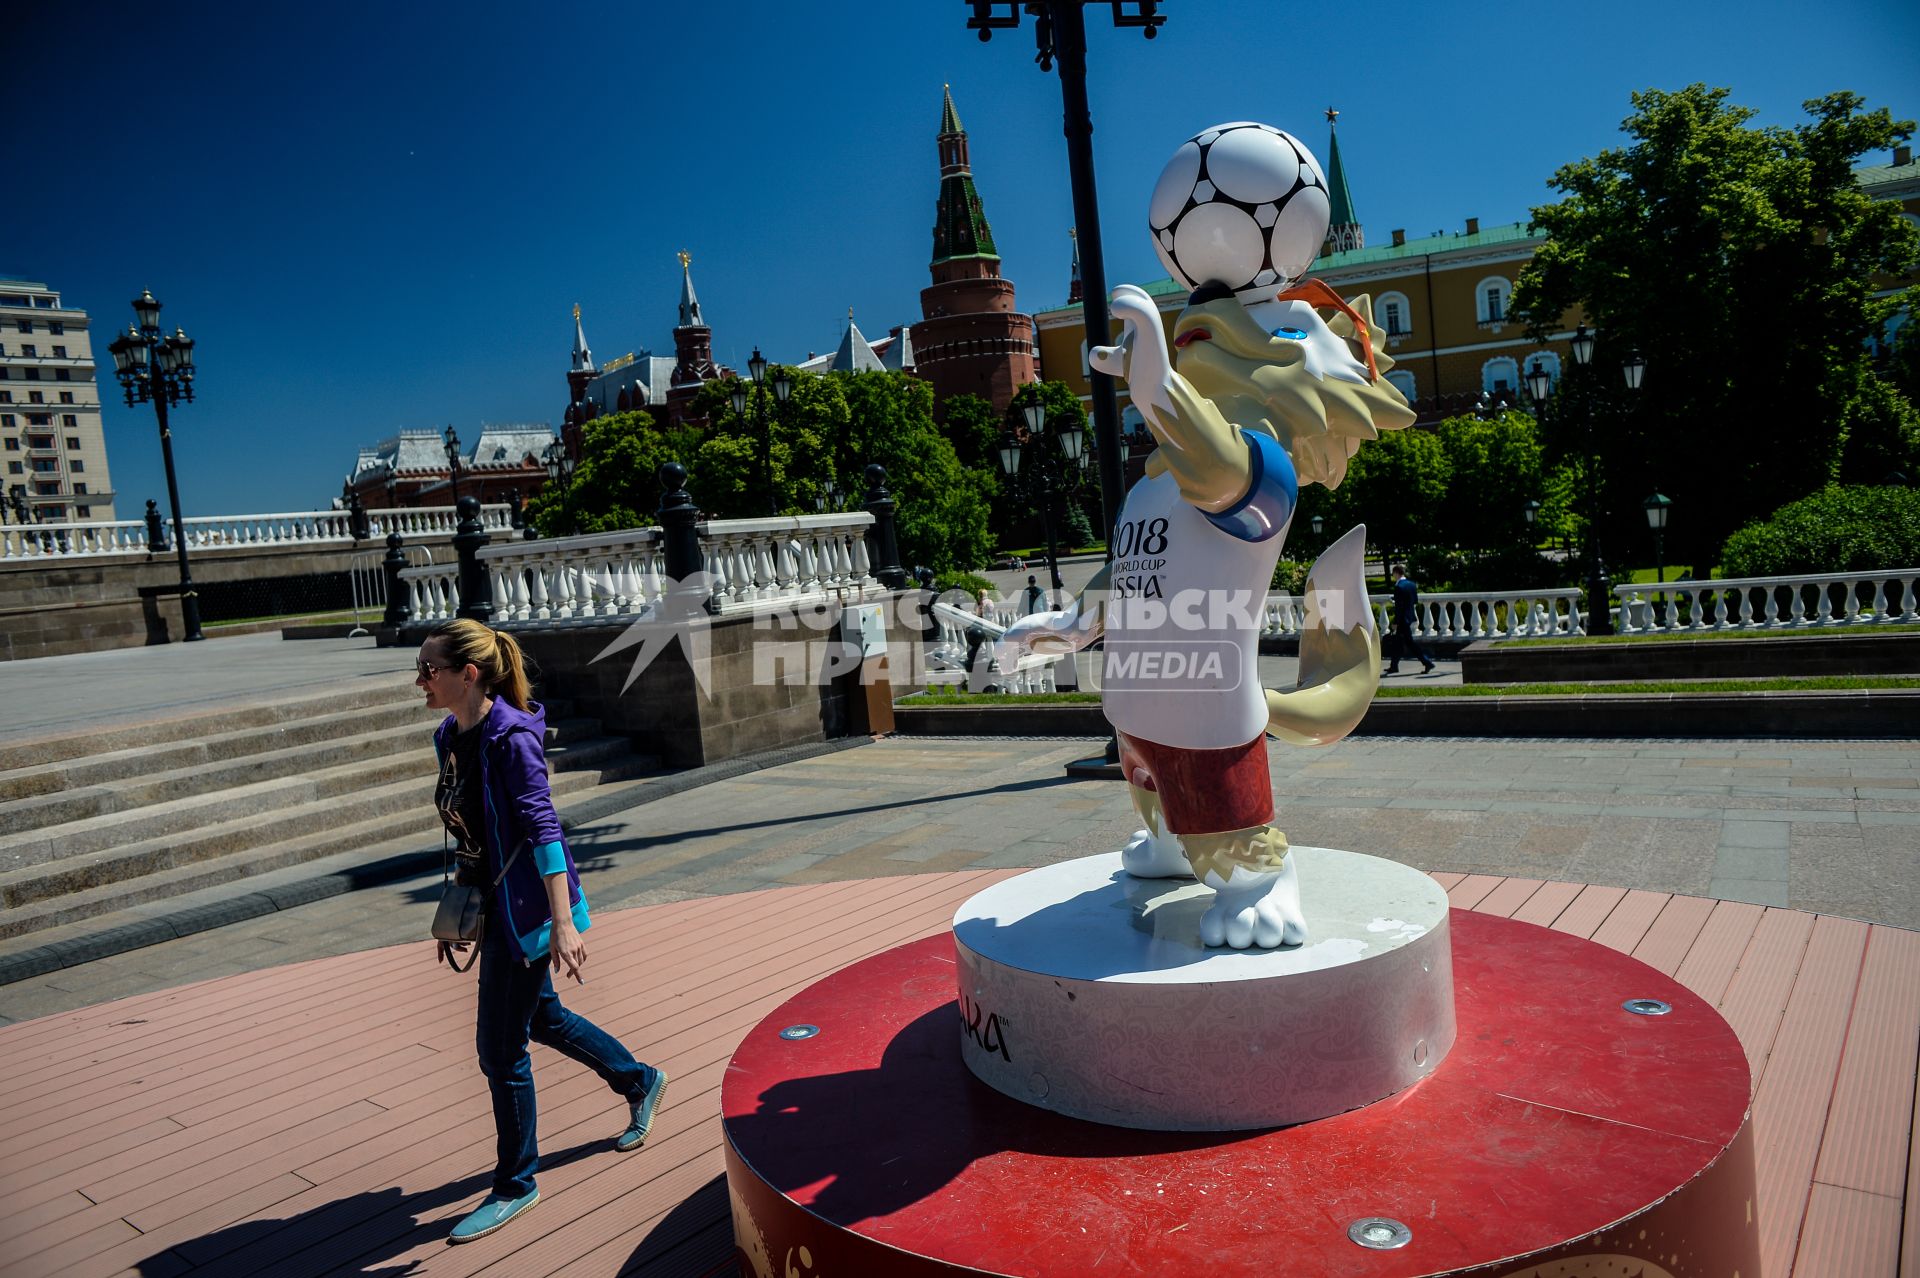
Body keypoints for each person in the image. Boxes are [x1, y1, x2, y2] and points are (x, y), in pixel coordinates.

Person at [419, 618, 668, 1244]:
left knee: (500, 1051)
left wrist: (562, 923)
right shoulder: (451, 735)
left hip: (528, 912)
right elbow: (471, 833)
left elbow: (543, 829)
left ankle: (516, 1183)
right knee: (540, 1019)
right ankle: (639, 1079)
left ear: (467, 674)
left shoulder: (511, 740)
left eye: (429, 670)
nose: (419, 681)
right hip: (491, 904)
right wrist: (458, 911)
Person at [1384, 562, 1435, 675]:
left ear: (1397, 573)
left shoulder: (1398, 586)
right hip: (1409, 616)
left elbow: (1399, 607)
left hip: (1402, 619)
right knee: (1399, 642)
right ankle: (1394, 666)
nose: (1393, 576)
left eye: (1393, 574)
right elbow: (1414, 601)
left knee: (1409, 643)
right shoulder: (1411, 584)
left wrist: (1396, 622)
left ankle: (1427, 662)